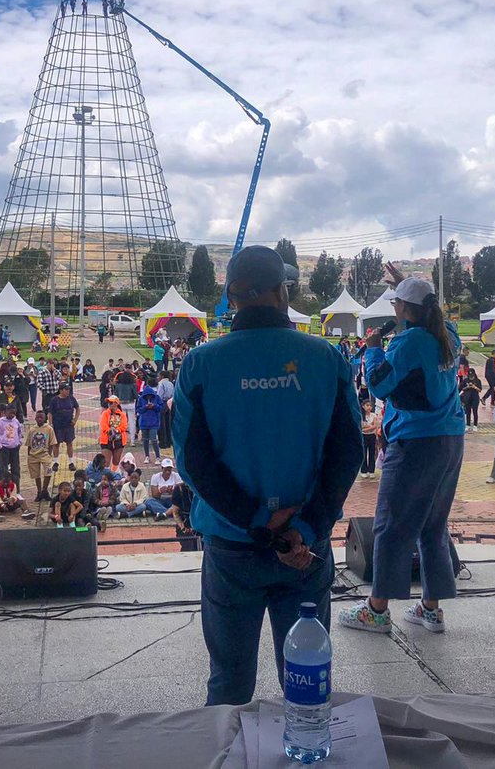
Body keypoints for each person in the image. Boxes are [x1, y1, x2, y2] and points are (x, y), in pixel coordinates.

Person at [174, 245, 361, 705]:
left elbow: (192, 462)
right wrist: (305, 526)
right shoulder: (326, 359)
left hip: (233, 545)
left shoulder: (200, 364)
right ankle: (306, 750)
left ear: (231, 298)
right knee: (306, 678)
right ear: (282, 292)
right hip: (304, 548)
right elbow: (348, 453)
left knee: (229, 683)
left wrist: (257, 520)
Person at [338, 271, 464, 636]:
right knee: (432, 526)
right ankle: (431, 608)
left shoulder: (408, 343)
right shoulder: (448, 334)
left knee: (391, 525)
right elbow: (431, 306)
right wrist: (406, 281)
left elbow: (378, 384)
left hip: (415, 443)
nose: (392, 308)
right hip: (450, 439)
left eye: (395, 302)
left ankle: (376, 610)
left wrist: (375, 346)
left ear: (406, 309)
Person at [0, 404, 24, 496]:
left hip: (14, 449)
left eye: (14, 413)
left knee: (15, 470)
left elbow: (20, 433)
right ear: (5, 412)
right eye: (10, 412)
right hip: (3, 449)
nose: (12, 415)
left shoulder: (16, 421)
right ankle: (1, 491)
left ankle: (16, 491)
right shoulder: (0, 422)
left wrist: (19, 442)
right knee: (2, 470)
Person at [25, 410, 56, 502]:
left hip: (45, 454)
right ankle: (39, 492)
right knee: (36, 475)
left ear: (45, 418)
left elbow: (52, 443)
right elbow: (29, 444)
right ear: (35, 418)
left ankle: (44, 490)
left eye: (41, 417)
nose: (39, 419)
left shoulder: (49, 429)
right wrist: (29, 454)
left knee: (48, 471)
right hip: (33, 455)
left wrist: (49, 454)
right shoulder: (32, 430)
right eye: (37, 417)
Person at [49, 384, 79, 474]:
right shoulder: (54, 400)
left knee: (69, 443)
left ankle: (71, 462)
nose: (68, 391)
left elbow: (78, 408)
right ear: (61, 390)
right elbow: (50, 413)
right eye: (66, 389)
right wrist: (50, 424)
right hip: (58, 426)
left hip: (69, 425)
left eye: (68, 389)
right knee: (56, 444)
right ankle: (56, 462)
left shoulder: (71, 399)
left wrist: (75, 420)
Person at [135, 386, 165, 462]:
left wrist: (154, 406)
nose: (149, 397)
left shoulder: (157, 398)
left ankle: (158, 457)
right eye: (147, 396)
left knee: (154, 440)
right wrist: (145, 407)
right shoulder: (141, 399)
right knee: (145, 440)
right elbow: (138, 410)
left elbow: (161, 408)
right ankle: (147, 456)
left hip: (154, 422)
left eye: (150, 395)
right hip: (143, 423)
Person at [98, 395, 128, 470]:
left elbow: (124, 426)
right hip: (106, 441)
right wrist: (109, 431)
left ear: (116, 403)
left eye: (111, 402)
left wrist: (117, 430)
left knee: (116, 462)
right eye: (108, 402)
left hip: (119, 440)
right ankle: (106, 476)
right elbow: (103, 425)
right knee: (106, 462)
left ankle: (114, 475)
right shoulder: (105, 413)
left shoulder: (122, 414)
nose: (109, 404)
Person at [359, 399, 381, 476]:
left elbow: (375, 426)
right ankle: (363, 471)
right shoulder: (360, 416)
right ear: (363, 406)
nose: (369, 407)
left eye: (370, 406)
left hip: (372, 436)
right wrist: (370, 427)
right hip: (363, 436)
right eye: (367, 405)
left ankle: (371, 470)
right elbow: (360, 428)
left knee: (372, 453)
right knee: (364, 453)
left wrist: (368, 427)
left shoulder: (374, 415)